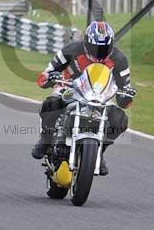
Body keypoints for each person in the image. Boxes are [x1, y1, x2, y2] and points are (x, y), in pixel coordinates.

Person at [31, 20, 136, 176]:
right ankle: (45, 140)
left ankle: (99, 151)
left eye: (104, 48)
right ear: (87, 42)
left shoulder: (119, 59)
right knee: (51, 104)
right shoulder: (71, 49)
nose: (100, 52)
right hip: (69, 89)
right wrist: (50, 77)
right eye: (96, 47)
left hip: (101, 96)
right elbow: (45, 74)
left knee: (120, 119)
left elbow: (124, 91)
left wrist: (126, 96)